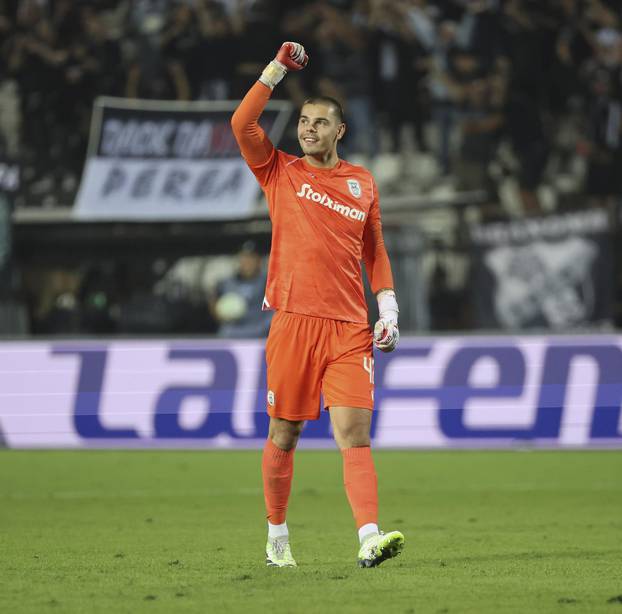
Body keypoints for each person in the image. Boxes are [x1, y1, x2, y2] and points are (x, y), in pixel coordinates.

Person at [231, 42, 403, 568]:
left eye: (320, 122)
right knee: (286, 432)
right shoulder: (278, 171)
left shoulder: (362, 183)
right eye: (304, 121)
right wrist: (277, 70)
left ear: (339, 131)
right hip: (293, 322)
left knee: (353, 431)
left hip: (350, 327)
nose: (308, 129)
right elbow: (242, 124)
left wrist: (388, 309)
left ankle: (368, 538)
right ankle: (277, 535)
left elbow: (374, 250)